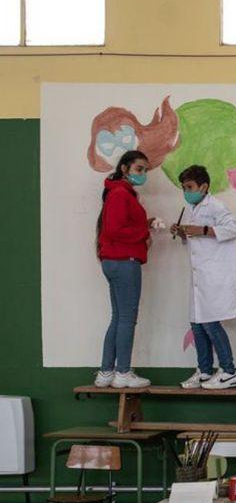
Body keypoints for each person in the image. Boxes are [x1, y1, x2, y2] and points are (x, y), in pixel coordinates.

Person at [173, 165, 236, 390]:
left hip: (215, 275)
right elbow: (196, 239)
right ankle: (204, 371)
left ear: (204, 187)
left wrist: (201, 230)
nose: (186, 191)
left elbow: (233, 228)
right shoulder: (193, 208)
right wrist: (184, 232)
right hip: (199, 277)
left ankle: (229, 371)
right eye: (184, 188)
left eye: (190, 187)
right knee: (196, 324)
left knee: (211, 323)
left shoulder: (215, 206)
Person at [95, 149, 154, 389]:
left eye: (145, 171)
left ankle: (106, 372)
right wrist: (145, 232)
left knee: (118, 318)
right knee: (127, 319)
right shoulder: (121, 193)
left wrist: (143, 226)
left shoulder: (117, 192)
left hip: (113, 261)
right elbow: (115, 229)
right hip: (124, 261)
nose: (143, 174)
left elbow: (117, 227)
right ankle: (123, 373)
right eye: (139, 169)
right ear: (124, 168)